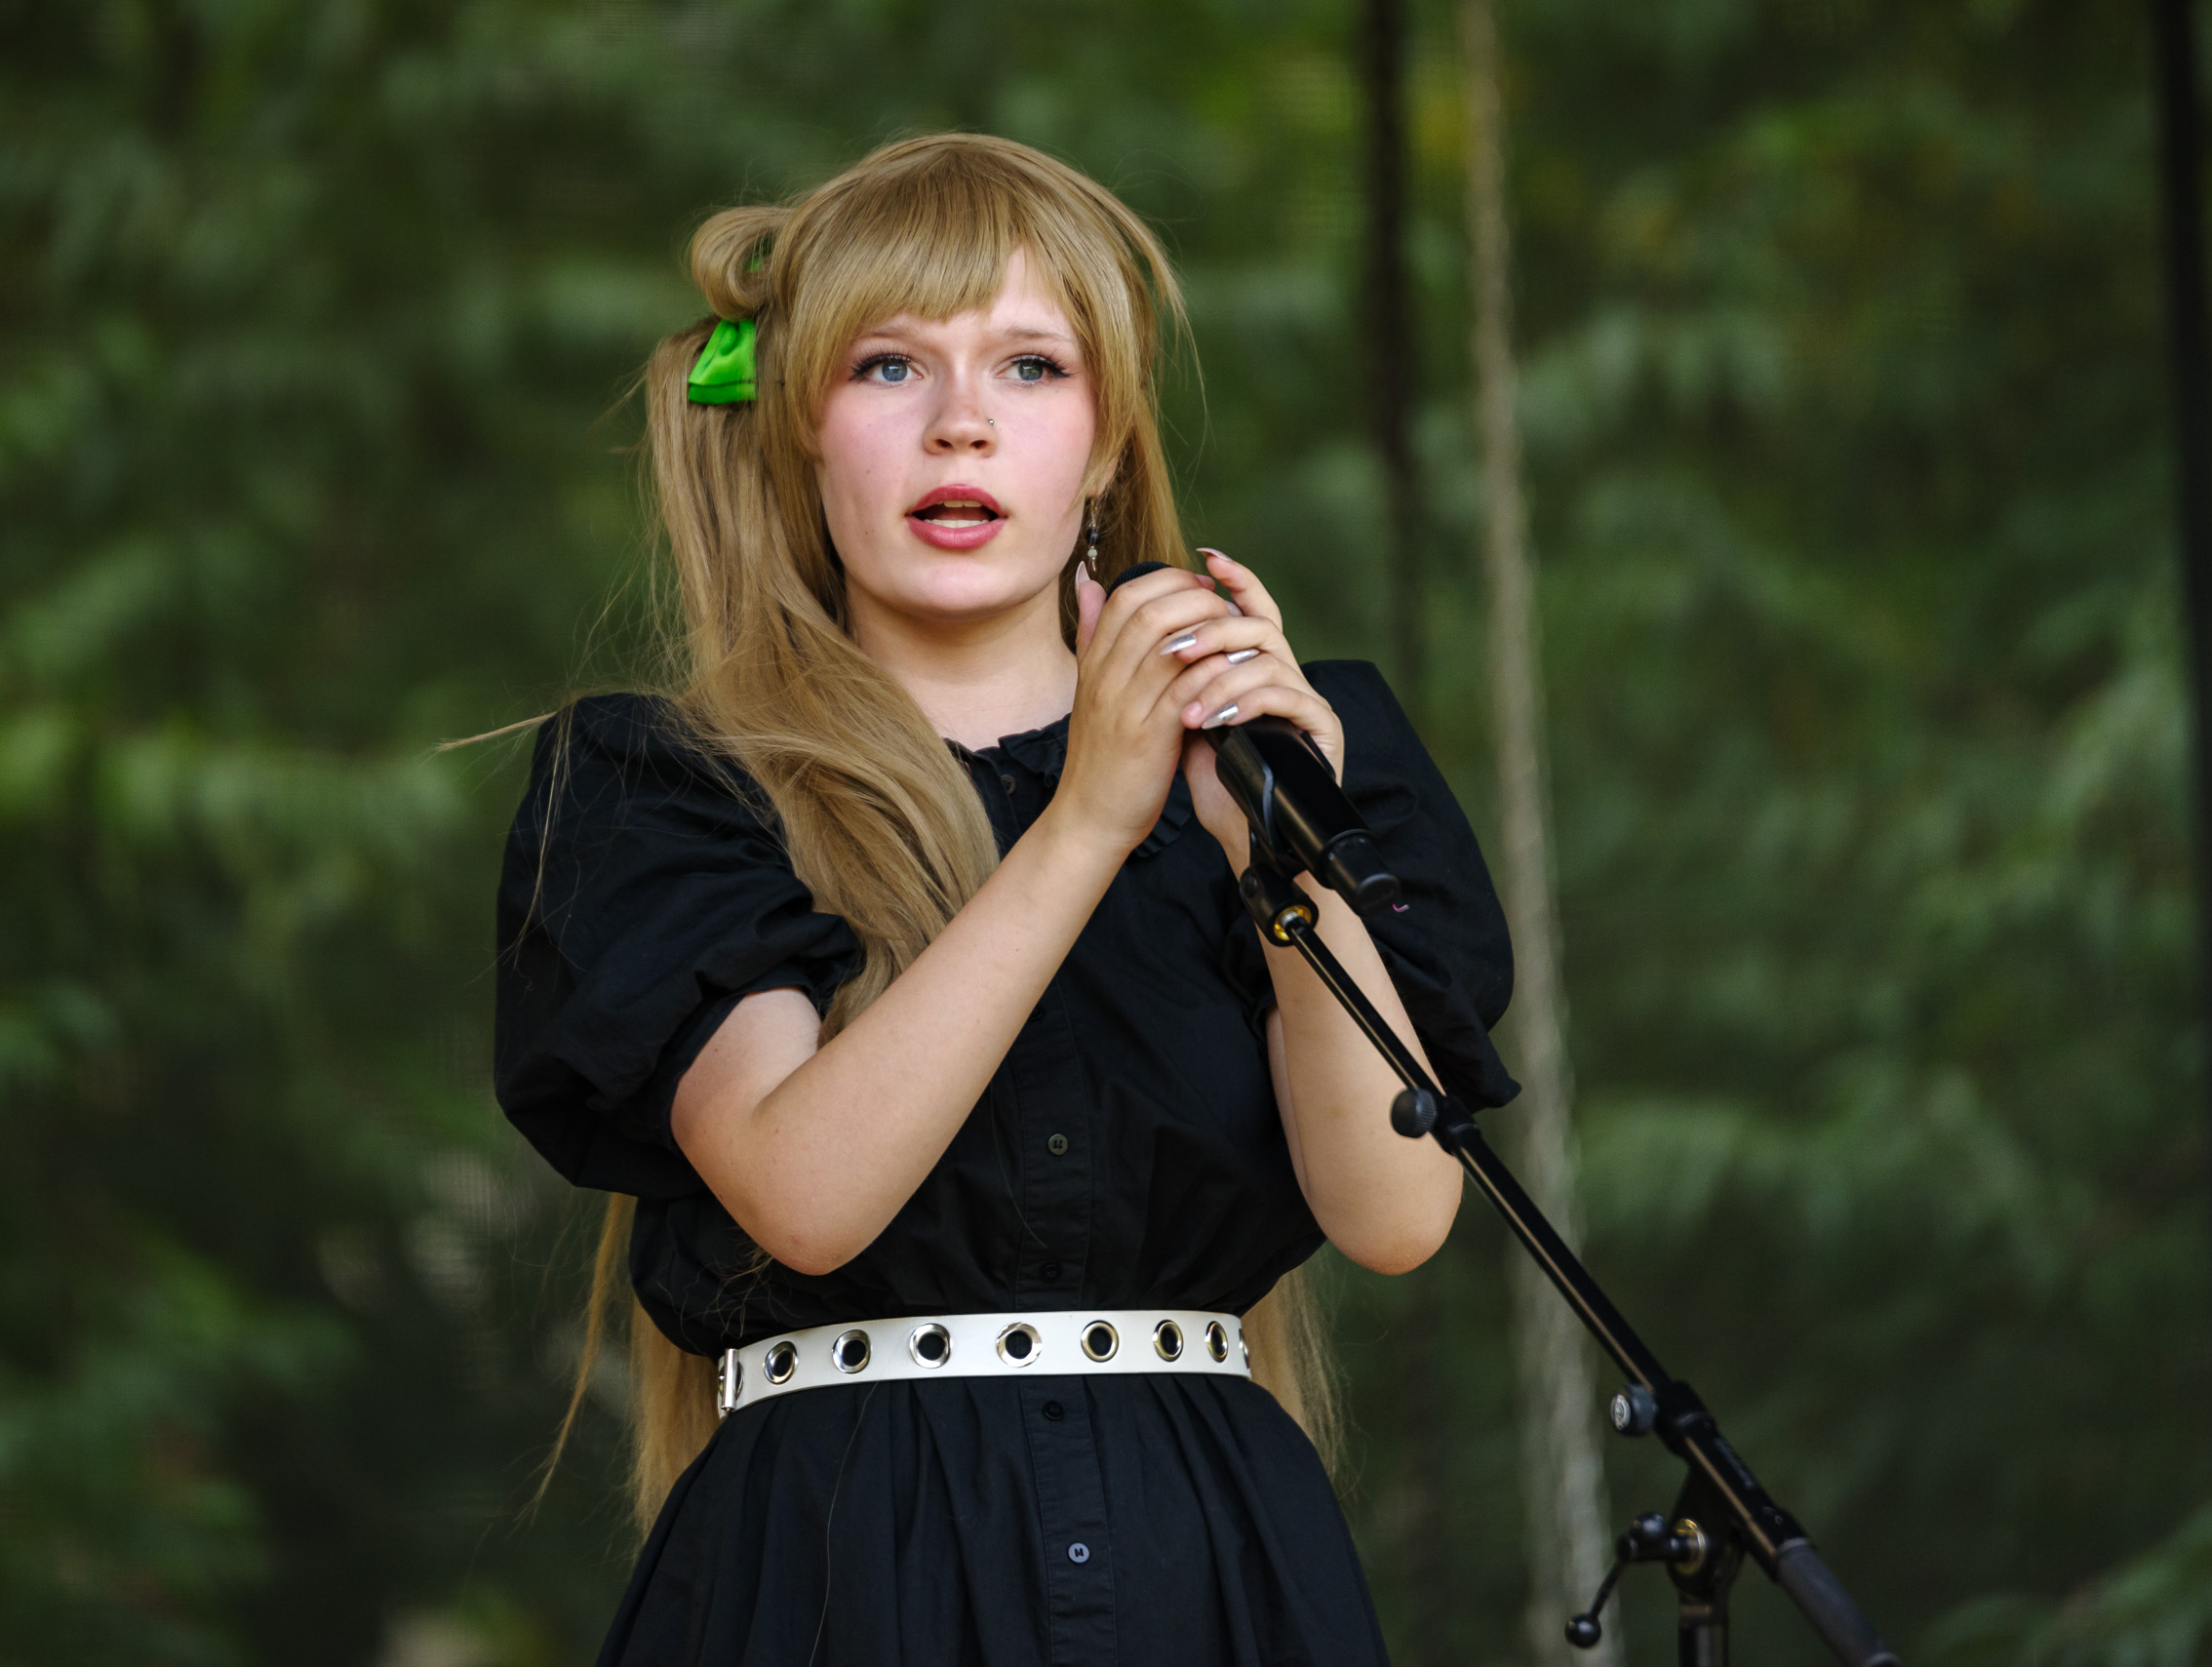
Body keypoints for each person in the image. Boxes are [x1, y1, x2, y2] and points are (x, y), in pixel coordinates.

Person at [494, 133, 1519, 1667]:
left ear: (1106, 445)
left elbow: (1394, 1214)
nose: (961, 422)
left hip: (1214, 1564)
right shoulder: (665, 782)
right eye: (890, 366)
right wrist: (1090, 820)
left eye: (1032, 366)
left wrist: (1280, 847)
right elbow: (805, 1196)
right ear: (799, 427)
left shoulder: (1301, 746)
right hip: (840, 1568)